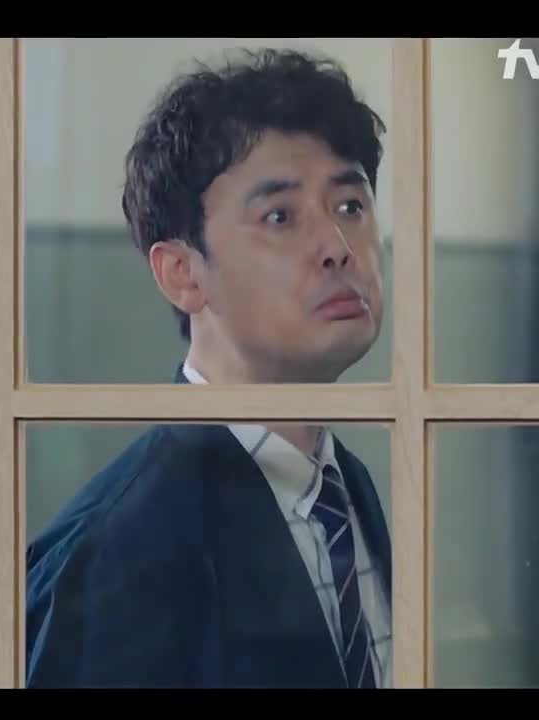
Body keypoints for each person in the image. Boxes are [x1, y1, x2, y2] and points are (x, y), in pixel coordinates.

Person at [24, 48, 393, 688]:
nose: (337, 248)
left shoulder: (346, 485)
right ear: (182, 274)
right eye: (280, 216)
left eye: (350, 207)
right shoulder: (117, 549)